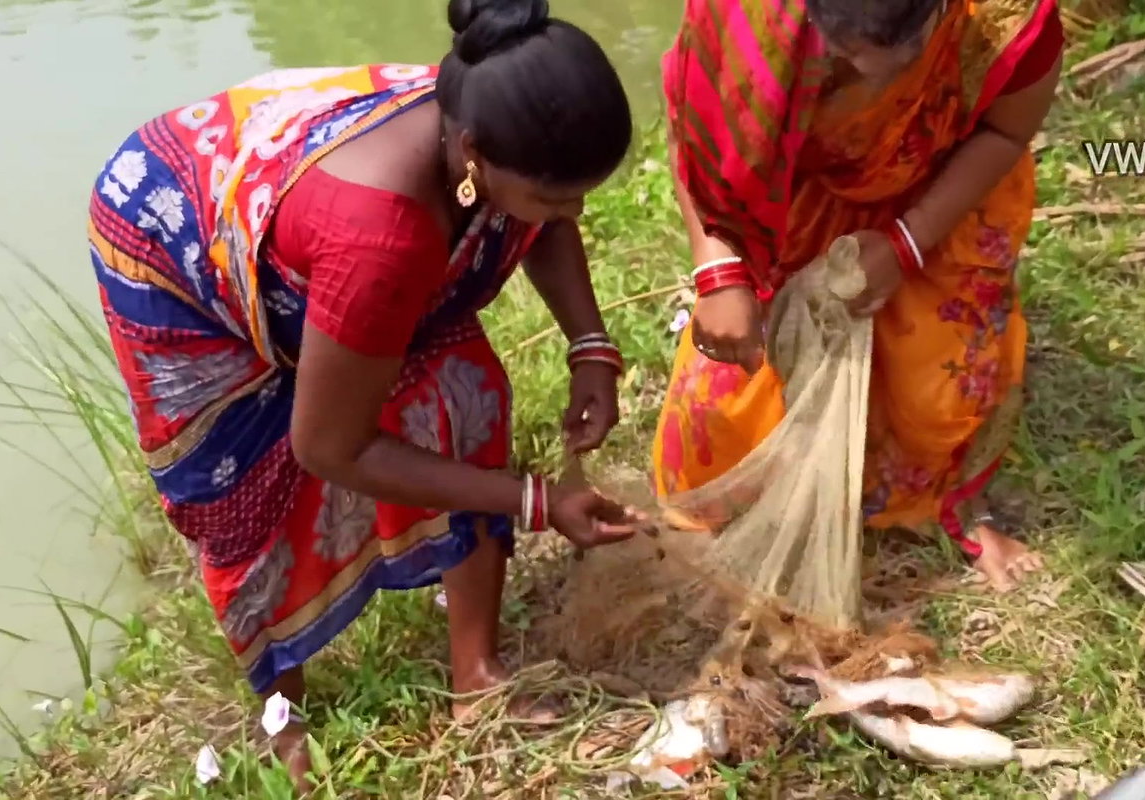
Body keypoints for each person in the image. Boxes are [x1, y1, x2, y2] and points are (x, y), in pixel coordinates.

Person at [88, 0, 638, 785]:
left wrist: (591, 346)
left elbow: (537, 224)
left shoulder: (486, 128)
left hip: (304, 199)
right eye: (557, 196)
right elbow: (329, 446)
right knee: (244, 487)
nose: (572, 213)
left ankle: (475, 678)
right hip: (173, 233)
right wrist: (536, 501)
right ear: (473, 154)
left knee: (462, 387)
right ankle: (284, 721)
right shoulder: (384, 234)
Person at [654, 0, 1063, 591]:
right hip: (794, 194)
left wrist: (907, 246)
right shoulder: (746, 14)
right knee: (725, 425)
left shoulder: (1005, 19)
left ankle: (953, 496)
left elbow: (1005, 130)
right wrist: (718, 271)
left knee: (933, 398)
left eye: (900, 58)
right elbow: (696, 131)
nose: (871, 82)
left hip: (938, 188)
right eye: (842, 53)